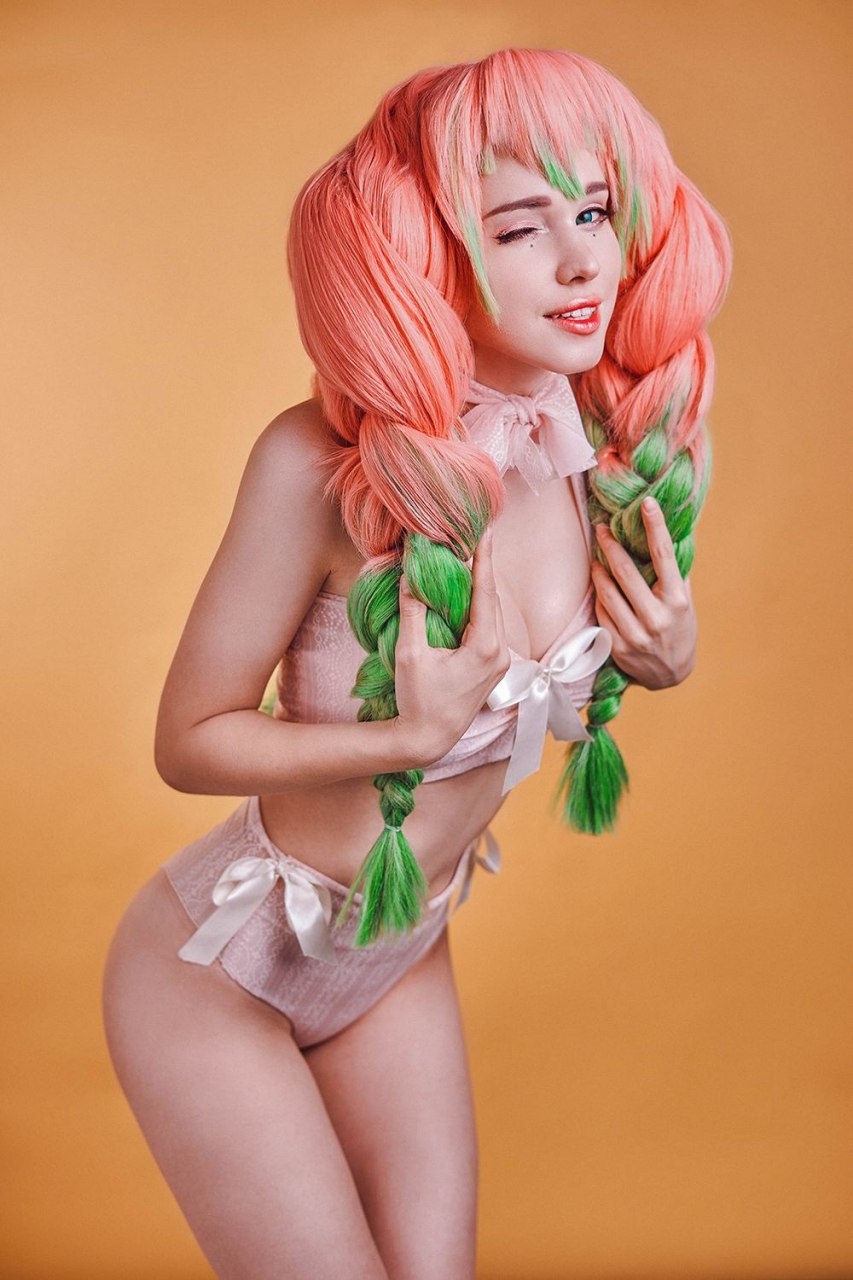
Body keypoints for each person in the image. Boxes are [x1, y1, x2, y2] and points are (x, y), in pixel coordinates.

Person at [101, 47, 731, 1280]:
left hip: (396, 949)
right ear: (426, 256)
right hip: (217, 975)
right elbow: (187, 739)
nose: (581, 261)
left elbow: (598, 661)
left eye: (595, 211)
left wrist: (672, 655)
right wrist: (402, 736)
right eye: (521, 226)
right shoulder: (314, 466)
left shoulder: (606, 453)